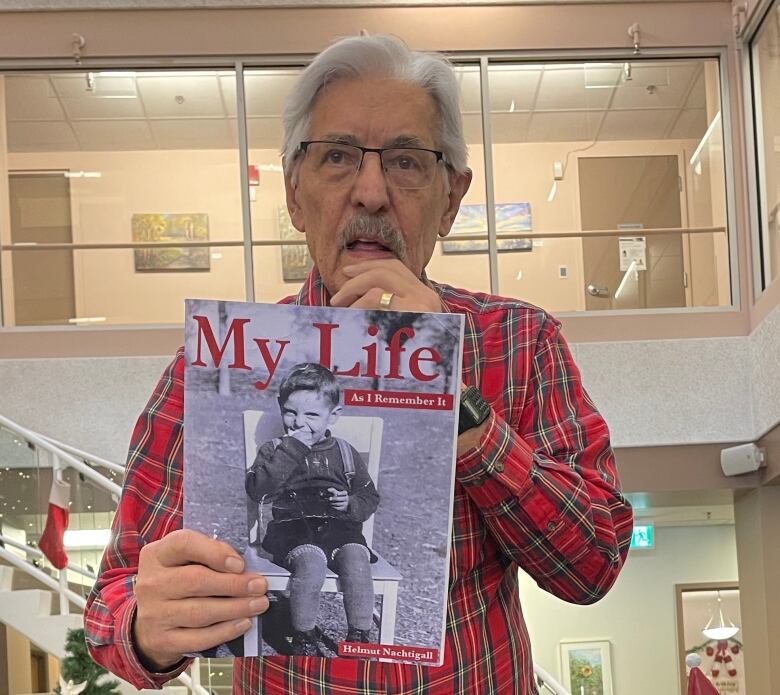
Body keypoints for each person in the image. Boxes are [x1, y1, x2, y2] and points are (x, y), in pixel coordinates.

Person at [85, 34, 633, 694]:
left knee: (349, 557)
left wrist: (458, 405)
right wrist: (148, 627)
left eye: (406, 162)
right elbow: (112, 602)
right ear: (295, 194)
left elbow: (594, 562)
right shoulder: (221, 368)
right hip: (291, 547)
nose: (371, 192)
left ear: (451, 199)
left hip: (365, 554)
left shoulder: (519, 342)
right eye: (338, 157)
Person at [245, 362, 380, 655]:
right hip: (293, 530)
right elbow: (258, 490)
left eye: (312, 415)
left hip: (341, 528)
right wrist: (292, 448)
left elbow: (369, 495)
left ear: (333, 417)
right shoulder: (274, 449)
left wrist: (351, 503)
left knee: (357, 559)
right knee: (311, 563)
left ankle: (359, 636)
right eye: (290, 412)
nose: (299, 423)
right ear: (281, 408)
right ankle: (304, 636)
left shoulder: (345, 452)